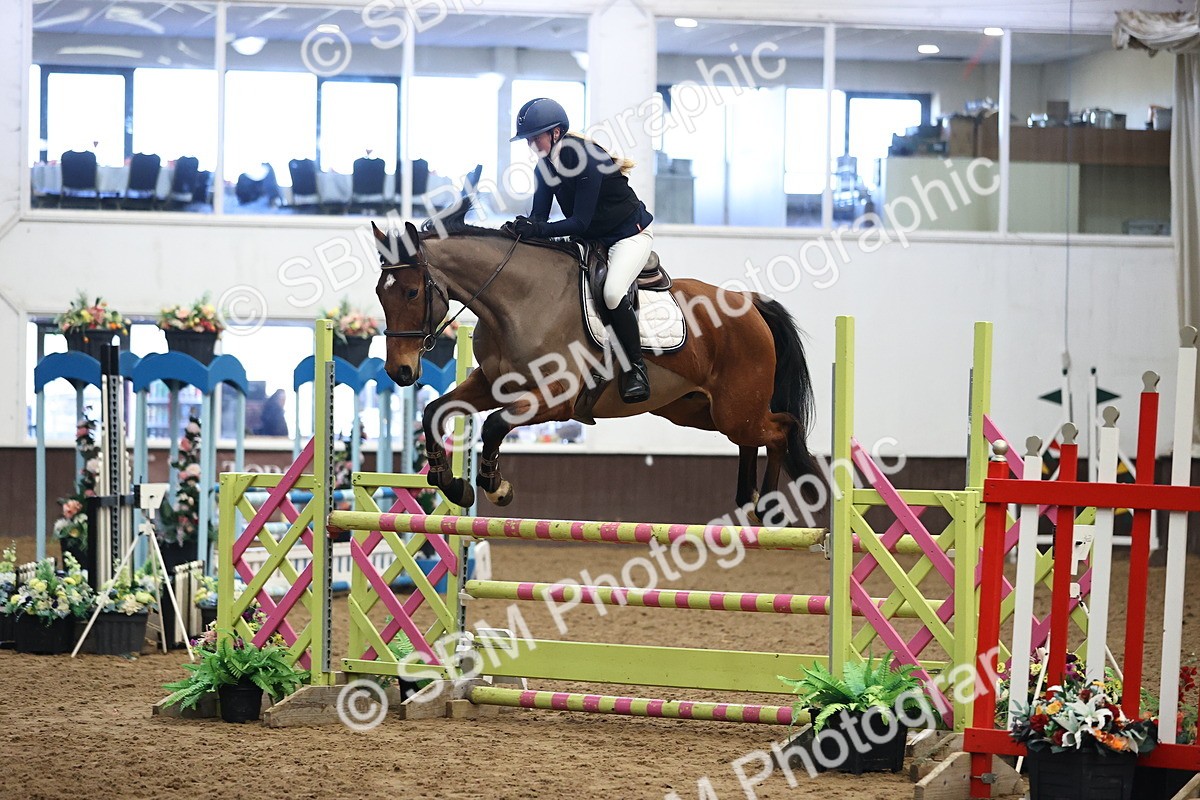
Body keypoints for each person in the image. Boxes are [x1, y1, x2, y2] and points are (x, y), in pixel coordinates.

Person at [508, 97, 654, 404]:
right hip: (593, 239)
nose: (532, 144)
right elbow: (540, 218)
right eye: (528, 140)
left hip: (628, 236)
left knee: (613, 292)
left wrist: (539, 230)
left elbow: (580, 222)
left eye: (536, 137)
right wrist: (521, 228)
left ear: (557, 133)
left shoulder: (586, 159)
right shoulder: (544, 167)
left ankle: (636, 369)